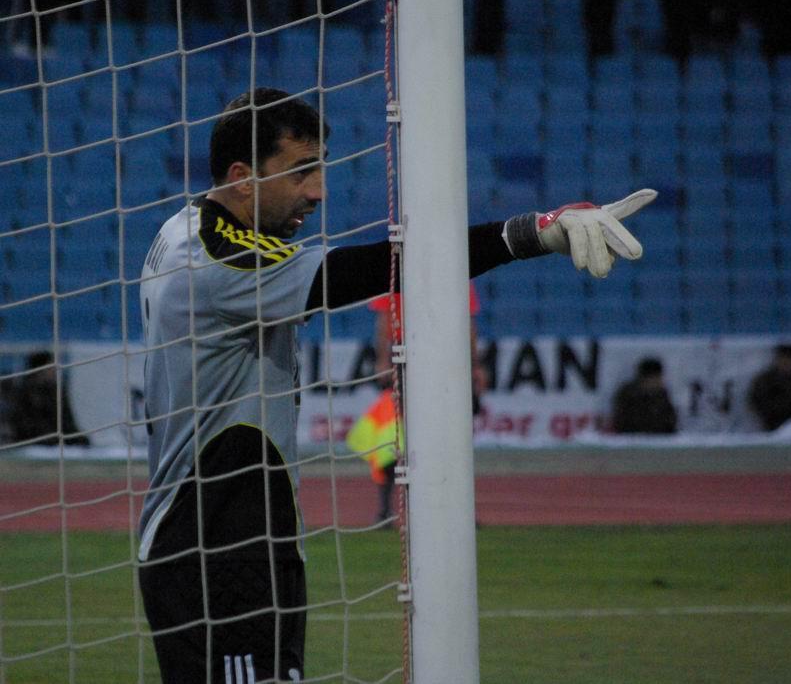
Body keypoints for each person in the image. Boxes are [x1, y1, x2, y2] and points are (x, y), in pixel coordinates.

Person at [137, 86, 656, 682]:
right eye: (301, 171)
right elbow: (381, 268)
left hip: (227, 532)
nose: (318, 191)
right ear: (241, 177)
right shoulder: (216, 261)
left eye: (321, 169)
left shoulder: (186, 228)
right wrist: (529, 234)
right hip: (217, 542)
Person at [349, 284, 486, 525]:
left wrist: (383, 359)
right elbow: (468, 325)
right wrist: (474, 365)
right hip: (433, 357)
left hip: (419, 356)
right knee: (424, 436)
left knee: (409, 435)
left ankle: (391, 510)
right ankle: (399, 509)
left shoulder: (401, 274)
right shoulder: (453, 273)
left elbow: (384, 320)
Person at [4, 350, 88, 447]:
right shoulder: (23, 394)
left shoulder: (57, 392)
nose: (55, 370)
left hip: (58, 443)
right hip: (34, 443)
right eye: (51, 366)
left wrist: (77, 438)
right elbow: (25, 426)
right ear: (41, 368)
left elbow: (67, 422)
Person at [611, 356, 678, 434]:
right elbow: (623, 422)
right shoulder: (628, 395)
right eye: (654, 378)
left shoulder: (662, 394)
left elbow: (670, 421)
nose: (659, 381)